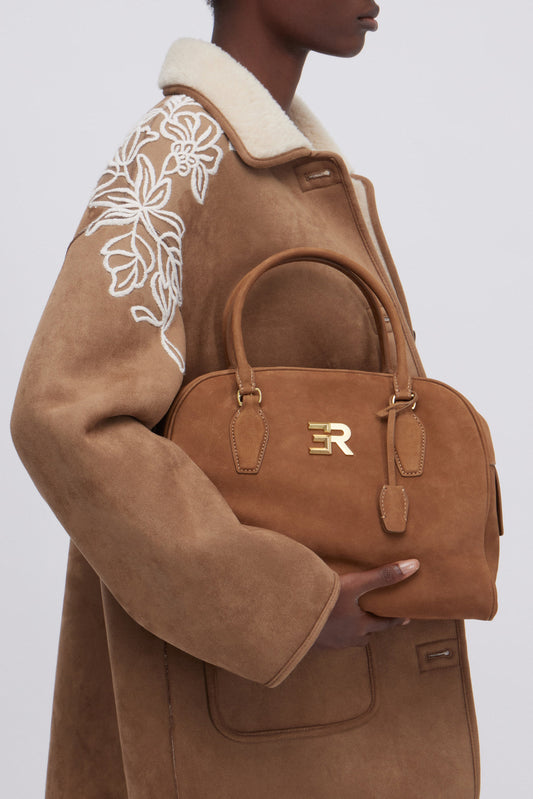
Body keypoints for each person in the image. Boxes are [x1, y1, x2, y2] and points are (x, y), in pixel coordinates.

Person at [10, 1, 482, 797]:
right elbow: (62, 413)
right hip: (254, 720)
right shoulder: (179, 154)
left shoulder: (280, 165)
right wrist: (282, 604)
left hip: (314, 713)